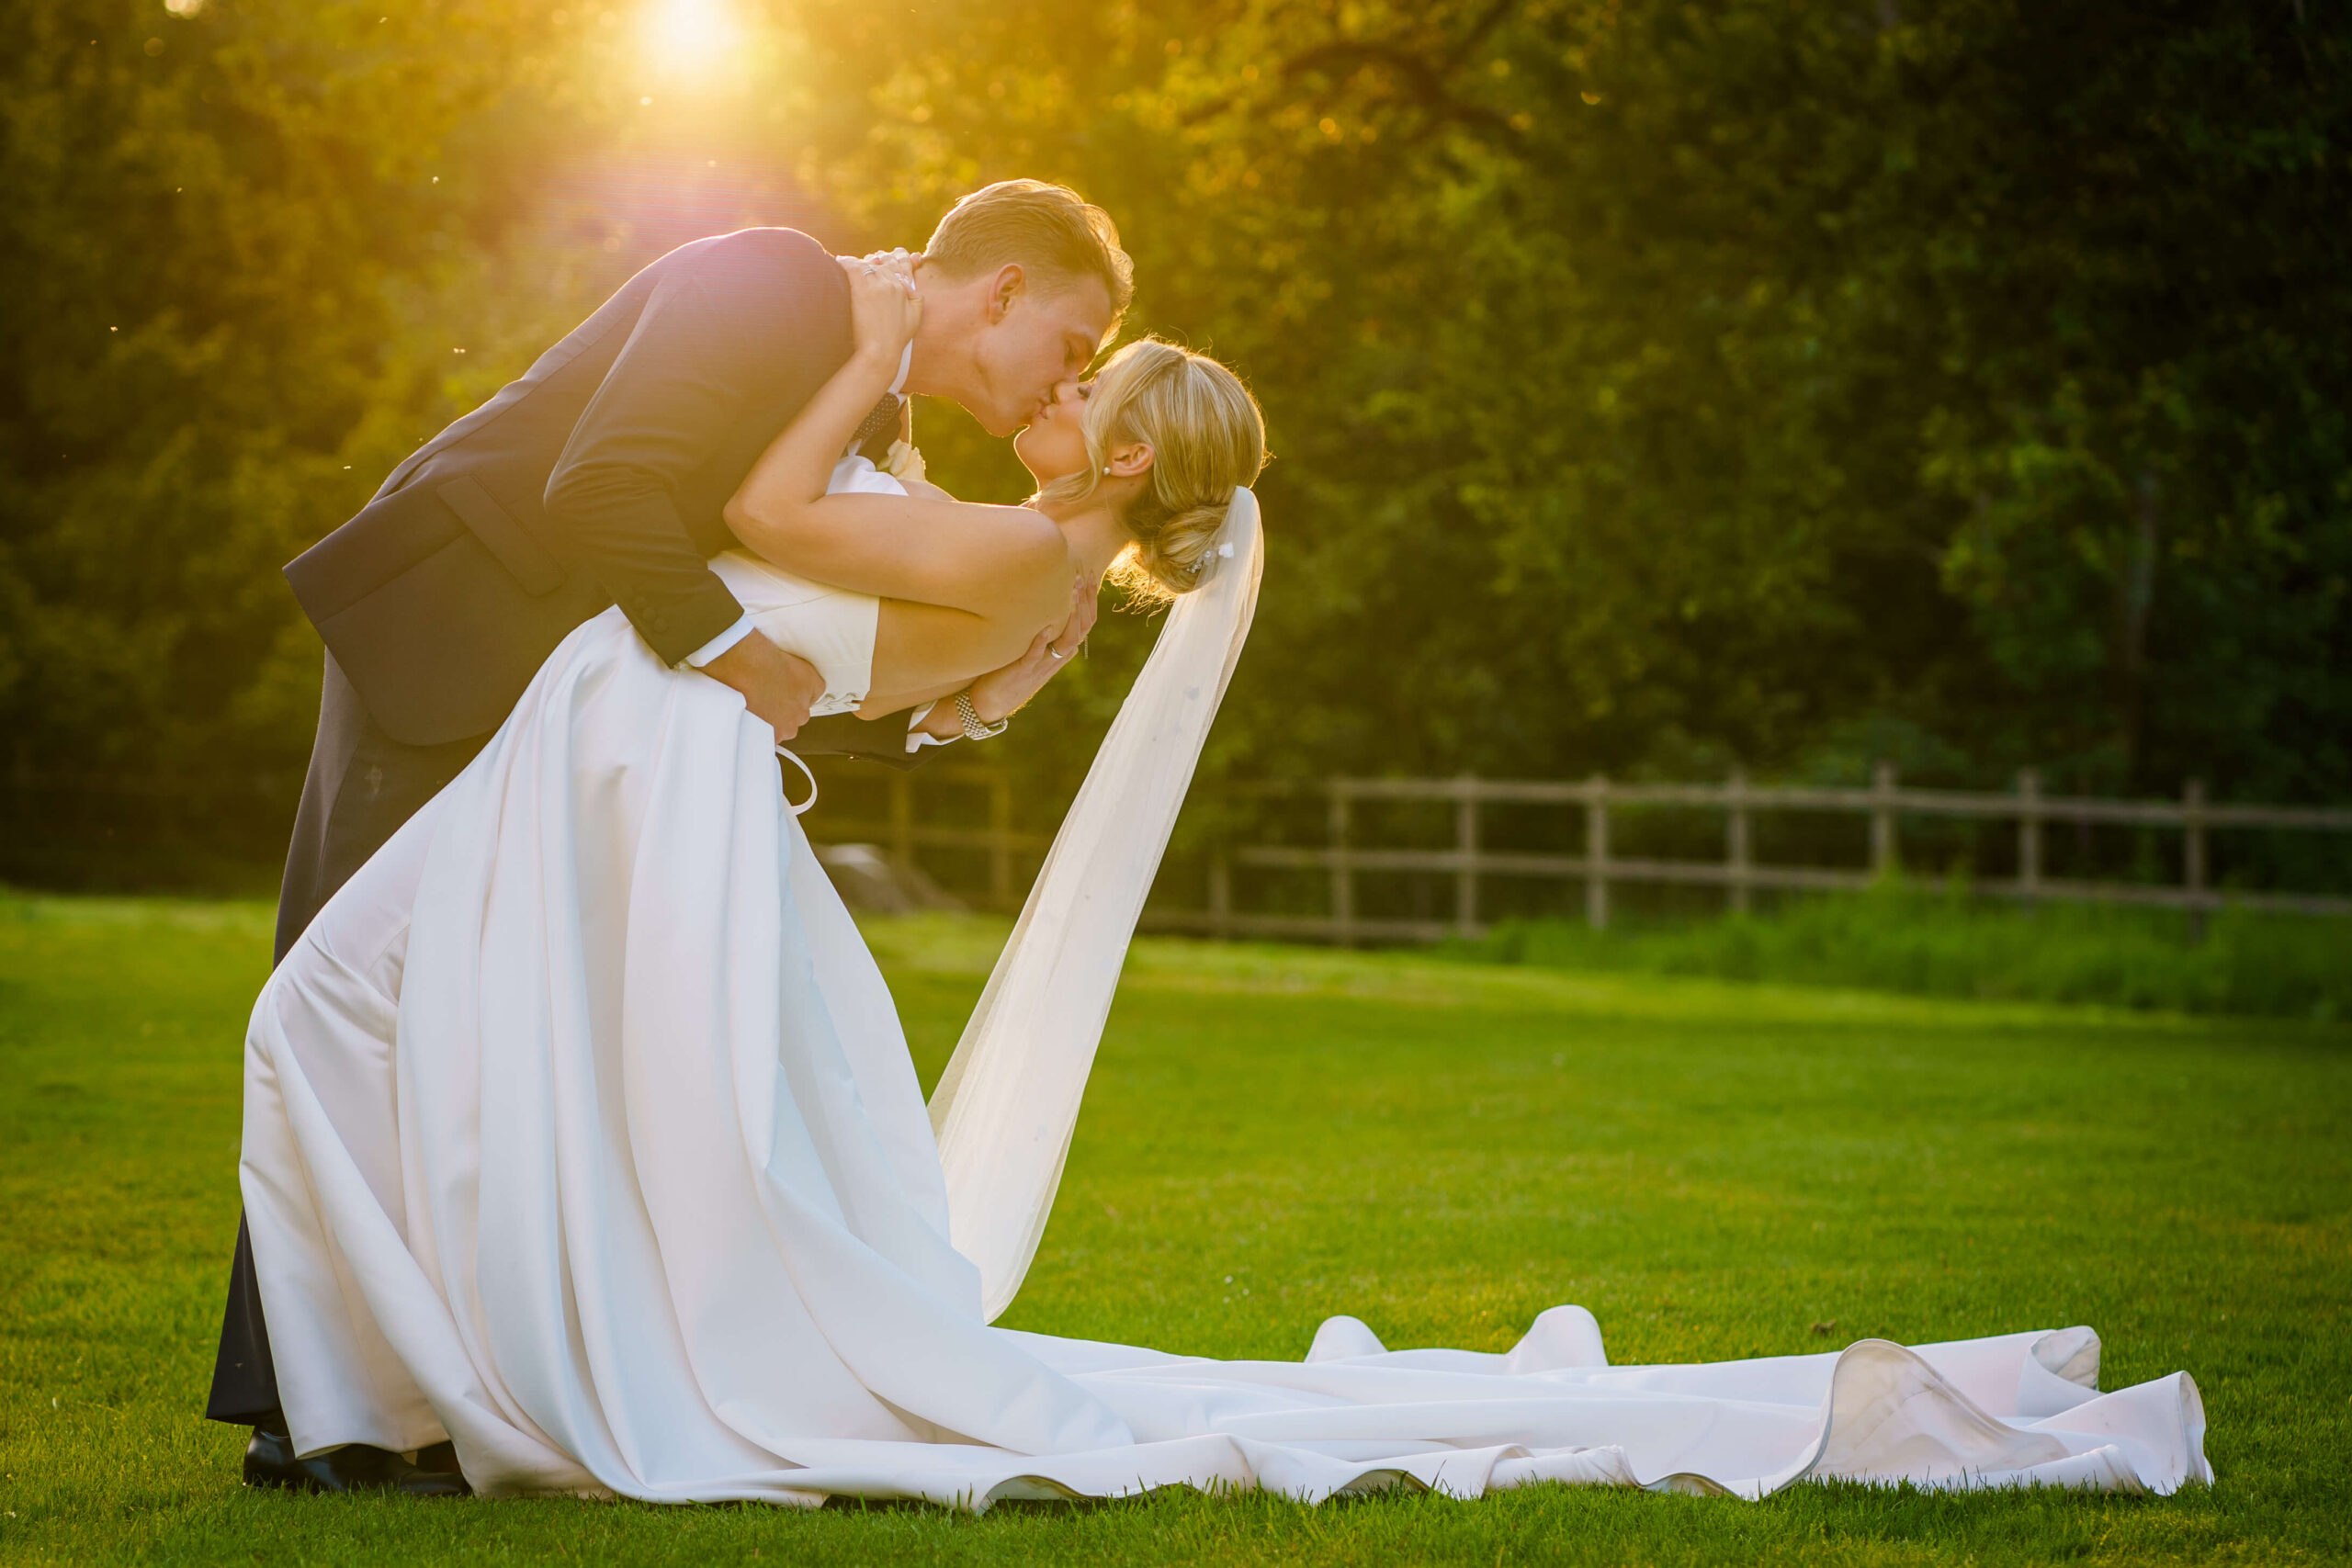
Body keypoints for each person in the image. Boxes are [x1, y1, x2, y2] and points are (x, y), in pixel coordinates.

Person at [233, 269, 2208, 1506]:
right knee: (405, 1048)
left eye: (1097, 377)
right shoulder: (1019, 566)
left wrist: (849, 350)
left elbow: (755, 519)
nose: (1066, 386)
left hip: (636, 763)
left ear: (1117, 451)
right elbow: (889, 640)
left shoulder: (1017, 568)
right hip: (634, 765)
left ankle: (413, 1375)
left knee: (346, 1027)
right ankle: (408, 1371)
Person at [211, 179, 1136, 1490]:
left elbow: (808, 643)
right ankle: (294, 1405)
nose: (1064, 385)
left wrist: (962, 695)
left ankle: (431, 1389)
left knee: (483, 1036)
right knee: (355, 1000)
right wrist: (732, 656)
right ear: (1000, 295)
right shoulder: (770, 282)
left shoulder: (869, 397)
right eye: (1071, 346)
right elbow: (605, 486)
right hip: (453, 633)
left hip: (574, 711)